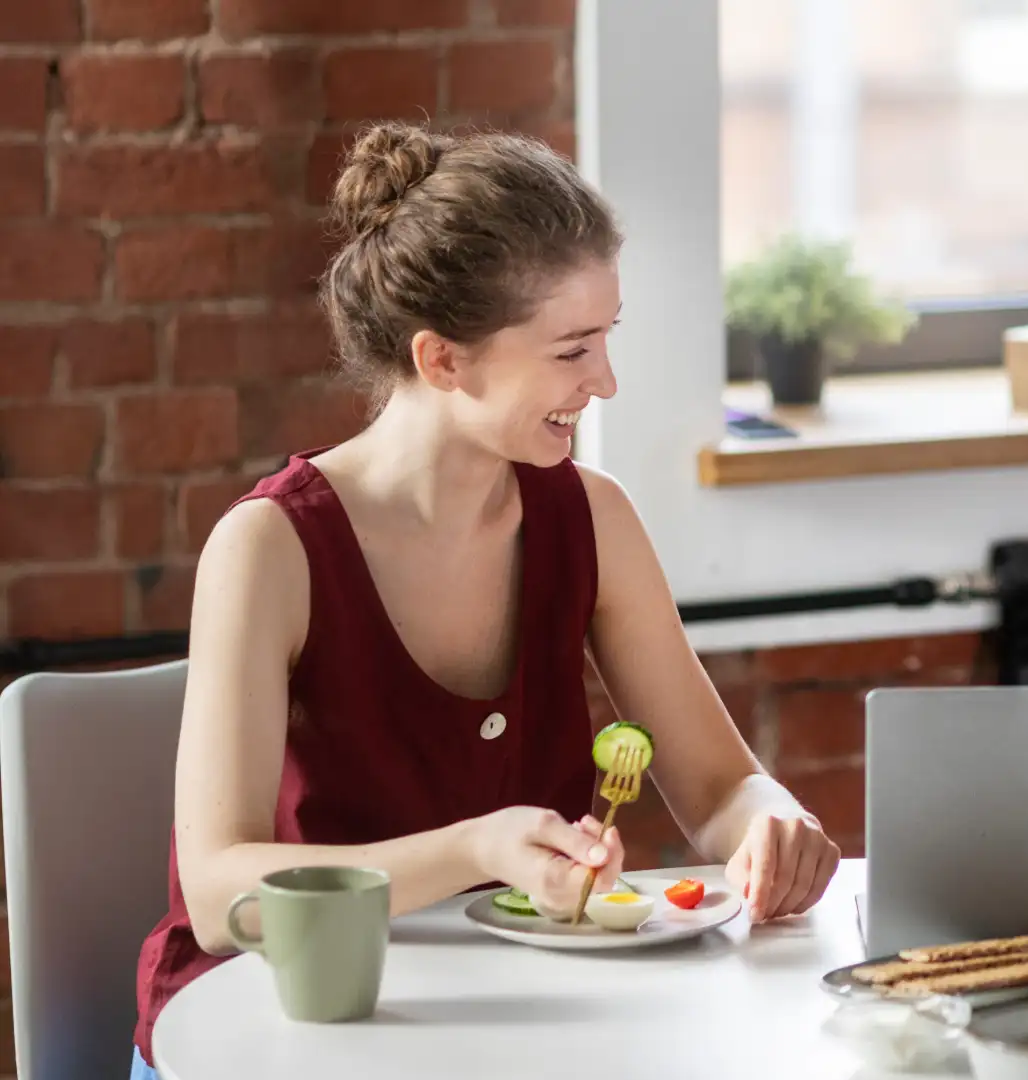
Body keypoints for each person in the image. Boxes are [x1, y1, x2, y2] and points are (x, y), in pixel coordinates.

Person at [128, 123, 841, 1079]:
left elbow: (718, 788)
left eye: (607, 339)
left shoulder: (593, 518)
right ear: (443, 361)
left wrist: (770, 824)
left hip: (505, 1022)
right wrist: (478, 849)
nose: (605, 382)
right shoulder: (270, 549)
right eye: (571, 351)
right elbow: (220, 899)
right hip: (273, 1028)